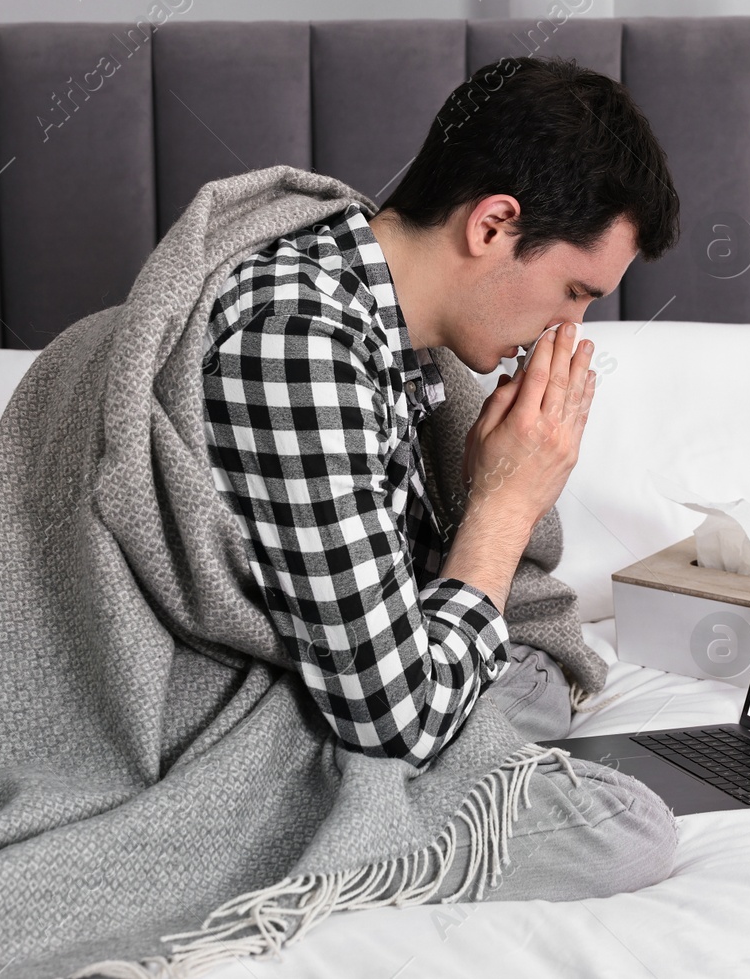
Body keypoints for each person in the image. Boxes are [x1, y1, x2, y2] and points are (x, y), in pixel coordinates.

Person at [200, 54, 682, 900]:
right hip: (233, 719)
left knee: (533, 670)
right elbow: (400, 721)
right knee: (624, 834)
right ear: (494, 225)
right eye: (574, 290)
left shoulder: (376, 319)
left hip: (369, 678)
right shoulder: (302, 342)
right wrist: (503, 505)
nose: (565, 331)